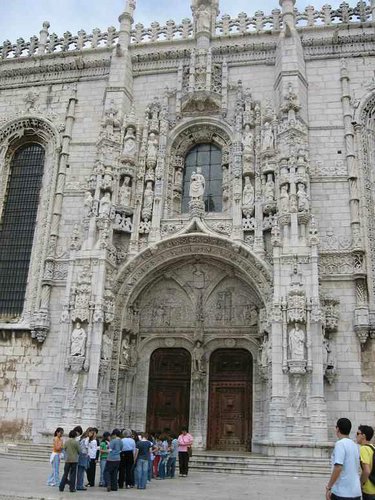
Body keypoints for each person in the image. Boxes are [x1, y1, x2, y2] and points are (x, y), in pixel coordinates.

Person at [326, 418, 361, 500]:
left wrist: (329, 486)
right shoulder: (355, 445)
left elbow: (338, 467)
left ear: (337, 429)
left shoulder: (340, 444)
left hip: (342, 492)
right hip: (356, 492)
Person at [356, 425, 375, 500]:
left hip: (368, 490)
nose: (356, 436)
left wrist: (360, 483)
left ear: (363, 436)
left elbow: (367, 471)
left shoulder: (363, 449)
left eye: (358, 433)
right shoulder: (373, 447)